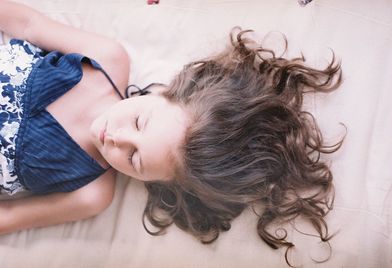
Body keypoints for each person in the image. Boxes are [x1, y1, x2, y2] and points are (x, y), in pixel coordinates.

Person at [0, 0, 343, 265]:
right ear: (164, 92)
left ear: (154, 181)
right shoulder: (106, 60)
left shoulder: (91, 194)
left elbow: (11, 216)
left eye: (134, 159)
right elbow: (26, 23)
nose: (116, 140)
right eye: (140, 122)